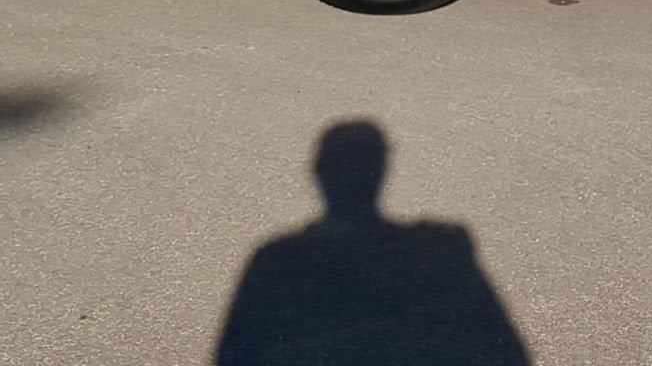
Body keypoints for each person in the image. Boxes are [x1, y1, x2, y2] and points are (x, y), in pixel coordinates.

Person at [215, 121, 530, 366]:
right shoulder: (437, 253)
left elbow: (234, 356)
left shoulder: (278, 262)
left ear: (318, 172)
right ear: (381, 171)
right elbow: (505, 353)